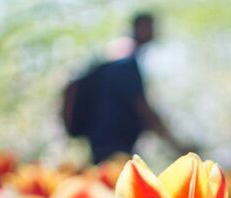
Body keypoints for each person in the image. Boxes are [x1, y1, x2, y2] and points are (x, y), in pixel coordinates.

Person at [78, 13, 186, 163]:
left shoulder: (120, 58)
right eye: (151, 26)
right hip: (113, 140)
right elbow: (142, 106)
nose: (155, 32)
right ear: (139, 27)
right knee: (113, 178)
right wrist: (176, 145)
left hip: (104, 137)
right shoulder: (126, 62)